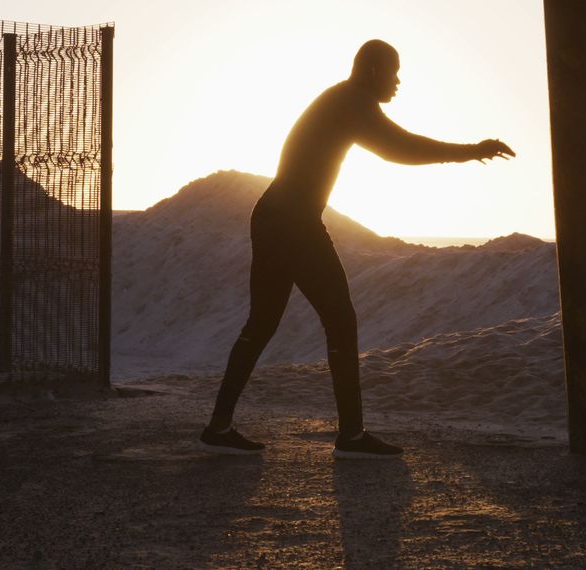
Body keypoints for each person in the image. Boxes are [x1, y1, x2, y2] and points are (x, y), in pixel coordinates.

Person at [199, 39, 515, 459]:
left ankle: (219, 427)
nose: (398, 82)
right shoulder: (352, 102)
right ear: (371, 72)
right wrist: (470, 151)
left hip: (273, 216)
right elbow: (401, 148)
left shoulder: (344, 99)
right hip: (293, 222)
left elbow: (396, 144)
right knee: (340, 322)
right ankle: (351, 436)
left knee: (261, 325)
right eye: (393, 72)